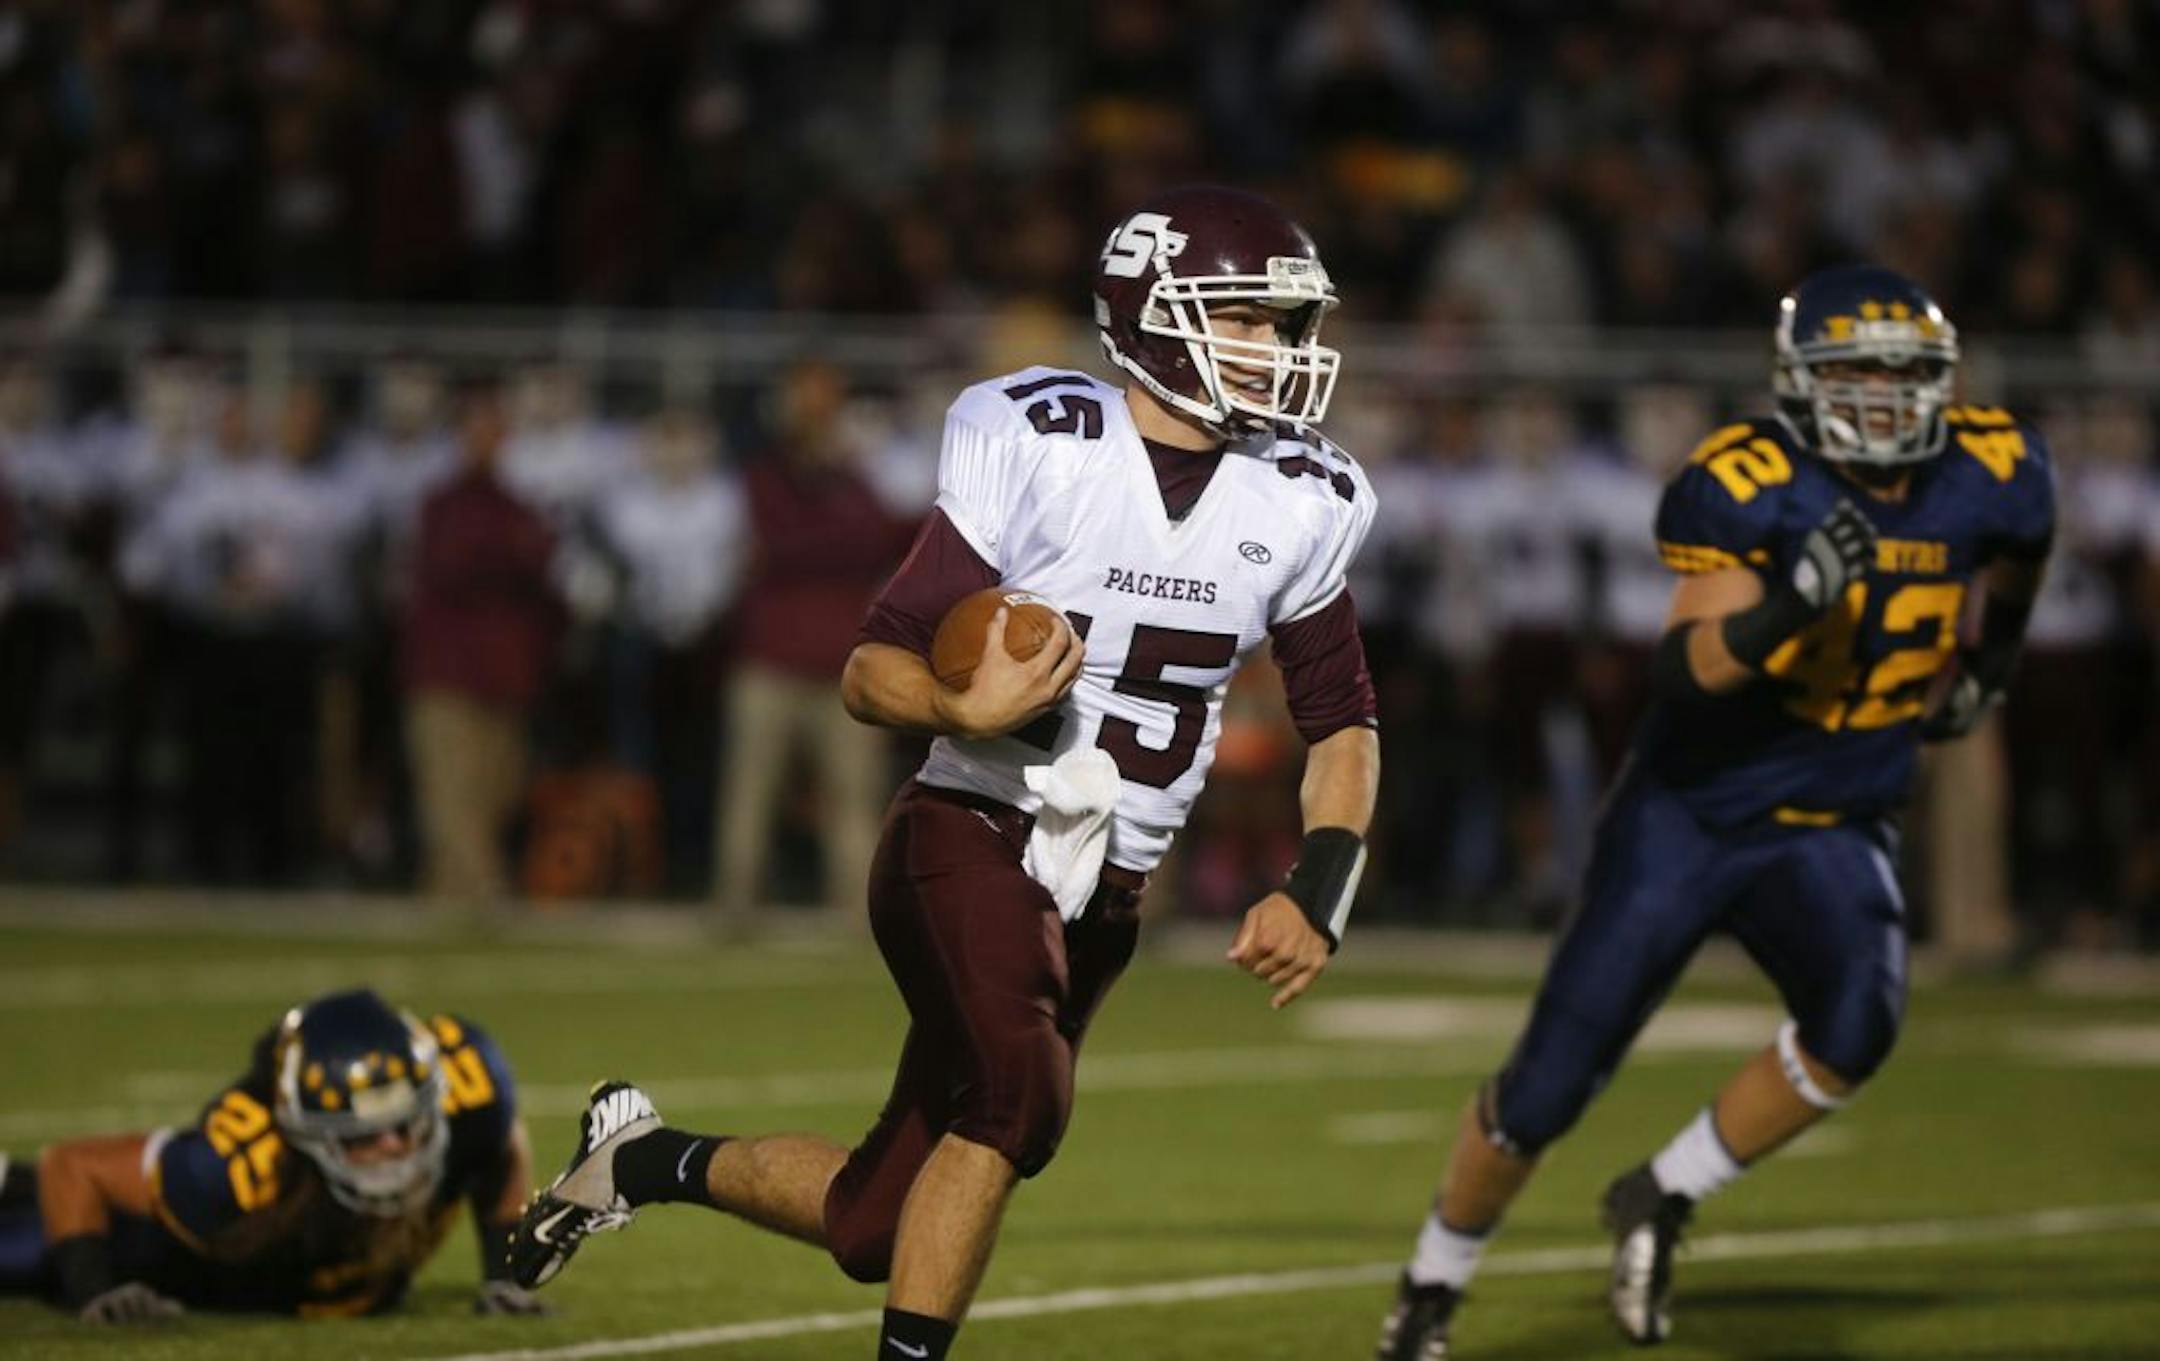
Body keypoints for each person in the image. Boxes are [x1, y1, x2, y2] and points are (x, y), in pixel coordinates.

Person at [509, 185, 1383, 1361]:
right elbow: (873, 667)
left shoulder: (1304, 493)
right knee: (1021, 1100)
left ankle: (638, 1157)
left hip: (1105, 895)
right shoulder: (1043, 443)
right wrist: (957, 700)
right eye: (1250, 320)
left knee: (873, 1217)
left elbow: (1343, 721)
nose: (1281, 350)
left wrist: (1317, 885)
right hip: (968, 830)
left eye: (1288, 325)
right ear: (1158, 316)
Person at [1375, 264, 2054, 1358]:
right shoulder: (1749, 480)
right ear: (1800, 382)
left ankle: (1664, 1190)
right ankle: (1432, 1279)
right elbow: (1688, 670)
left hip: (1838, 814)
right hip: (1692, 814)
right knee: (1549, 1083)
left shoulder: (1999, 465)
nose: (1881, 397)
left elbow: (2020, 554)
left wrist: (1995, 658)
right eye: (1855, 372)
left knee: (1857, 1023)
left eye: (1902, 372)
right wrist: (1795, 602)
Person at [0, 988, 547, 1321]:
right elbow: (72, 1167)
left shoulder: (470, 1096)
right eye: (362, 1137)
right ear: (307, 1136)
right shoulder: (233, 1168)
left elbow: (501, 1145)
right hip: (149, 1248)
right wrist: (95, 1287)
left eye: (405, 1127)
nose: (393, 1150)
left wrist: (503, 1274)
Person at [402, 374, 564, 904]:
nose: (488, 440)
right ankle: (485, 890)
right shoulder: (441, 504)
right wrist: (512, 553)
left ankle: (447, 893)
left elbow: (541, 566)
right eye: (479, 429)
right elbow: (455, 564)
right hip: (447, 667)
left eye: (496, 430)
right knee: (451, 792)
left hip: (506, 671)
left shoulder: (518, 504)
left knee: (498, 790)